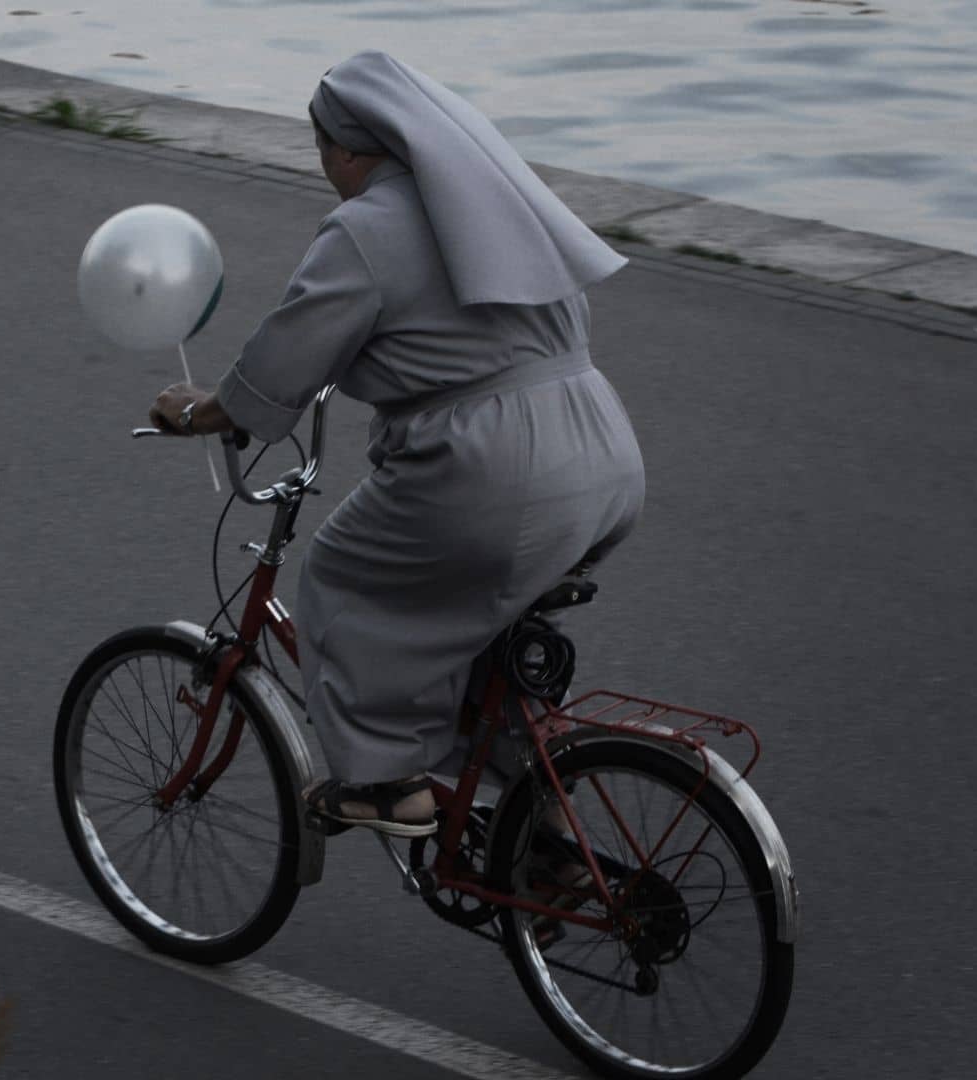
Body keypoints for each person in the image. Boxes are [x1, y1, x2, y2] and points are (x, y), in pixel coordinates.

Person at [148, 51, 645, 838]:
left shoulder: (366, 228)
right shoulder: (496, 204)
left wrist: (203, 410)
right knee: (484, 634)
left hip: (497, 471)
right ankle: (547, 825)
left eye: (322, 152)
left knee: (340, 580)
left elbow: (285, 358)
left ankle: (387, 782)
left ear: (347, 150)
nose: (326, 171)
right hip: (601, 453)